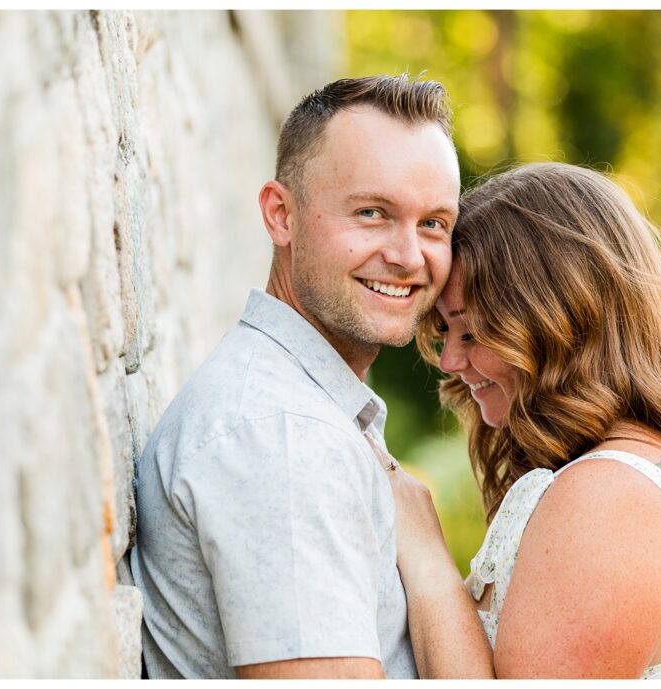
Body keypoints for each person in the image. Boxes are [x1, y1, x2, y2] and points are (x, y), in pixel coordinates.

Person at [128, 74, 490, 679]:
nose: (407, 255)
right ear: (281, 215)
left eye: (433, 223)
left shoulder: (310, 410)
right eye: (372, 213)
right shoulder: (283, 437)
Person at [380, 162, 661, 679]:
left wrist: (427, 561)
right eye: (445, 332)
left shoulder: (610, 498)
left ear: (559, 325)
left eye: (473, 333)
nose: (450, 361)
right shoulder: (632, 471)